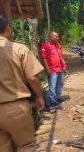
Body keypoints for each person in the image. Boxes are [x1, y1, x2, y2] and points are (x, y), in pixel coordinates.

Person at [0, 15, 44, 151]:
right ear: (8, 27)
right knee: (27, 146)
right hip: (15, 109)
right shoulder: (18, 49)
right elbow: (32, 78)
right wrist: (39, 97)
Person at [40, 32, 66, 113]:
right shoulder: (46, 45)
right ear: (51, 37)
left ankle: (57, 98)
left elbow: (61, 56)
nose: (58, 38)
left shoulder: (58, 45)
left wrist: (64, 65)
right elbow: (44, 58)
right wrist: (47, 70)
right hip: (52, 70)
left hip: (60, 69)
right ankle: (52, 105)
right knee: (52, 88)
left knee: (60, 84)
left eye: (58, 36)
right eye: (56, 36)